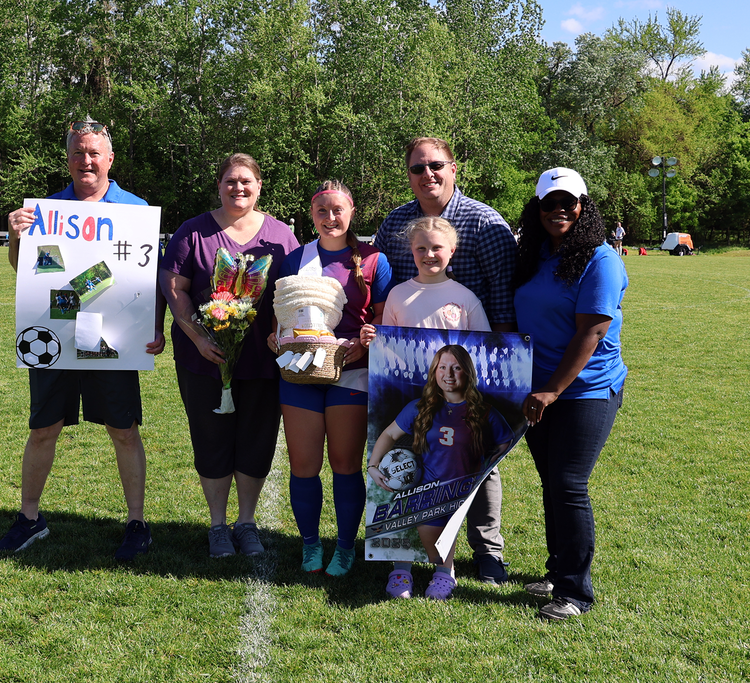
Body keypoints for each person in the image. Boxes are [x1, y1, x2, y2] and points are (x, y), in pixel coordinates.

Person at [0, 119, 164, 562]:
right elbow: (26, 272)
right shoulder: (46, 211)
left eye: (94, 153)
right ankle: (29, 519)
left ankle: (136, 523)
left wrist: (156, 325)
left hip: (114, 337)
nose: (86, 160)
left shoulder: (135, 210)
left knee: (123, 430)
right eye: (78, 152)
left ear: (109, 159)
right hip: (57, 335)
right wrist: (16, 237)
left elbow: (150, 280)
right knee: (43, 428)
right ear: (68, 158)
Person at [373, 136, 517, 584]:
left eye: (436, 165)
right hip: (406, 372)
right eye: (418, 168)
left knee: (475, 458)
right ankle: (401, 553)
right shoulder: (398, 223)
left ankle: (486, 549)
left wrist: (501, 367)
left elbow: (504, 299)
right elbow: (385, 294)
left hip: (469, 366)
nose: (427, 175)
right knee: (412, 456)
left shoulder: (484, 223)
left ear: (454, 168)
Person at [160, 153, 299, 558]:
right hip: (204, 360)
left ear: (259, 186)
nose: (238, 188)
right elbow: (175, 288)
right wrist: (199, 337)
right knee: (211, 439)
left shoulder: (280, 237)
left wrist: (282, 334)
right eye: (230, 181)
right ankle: (218, 525)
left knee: (257, 440)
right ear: (219, 185)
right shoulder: (194, 232)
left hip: (262, 360)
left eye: (246, 181)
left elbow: (291, 294)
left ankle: (247, 521)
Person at [513, 167, 627, 621]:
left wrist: (552, 390)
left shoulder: (601, 259)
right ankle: (558, 570)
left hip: (585, 391)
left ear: (584, 207)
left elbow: (593, 330)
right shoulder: (535, 254)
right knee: (551, 483)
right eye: (549, 203)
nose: (559, 210)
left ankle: (575, 593)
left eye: (569, 202)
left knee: (568, 484)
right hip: (536, 389)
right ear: (536, 208)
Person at [269, 180, 392, 576]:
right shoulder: (295, 258)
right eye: (322, 211)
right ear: (312, 214)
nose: (330, 218)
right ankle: (309, 545)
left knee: (344, 463)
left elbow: (382, 318)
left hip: (351, 371)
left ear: (352, 211)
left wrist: (365, 341)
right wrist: (276, 337)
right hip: (300, 372)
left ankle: (343, 546)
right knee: (303, 464)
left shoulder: (374, 259)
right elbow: (282, 312)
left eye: (337, 210)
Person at [368, 345, 512, 600]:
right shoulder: (419, 407)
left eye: (456, 368)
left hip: (458, 489)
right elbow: (390, 434)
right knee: (409, 523)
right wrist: (373, 465)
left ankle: (445, 573)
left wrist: (483, 465)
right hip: (422, 485)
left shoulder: (483, 411)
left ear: (467, 372)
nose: (449, 374)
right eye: (442, 367)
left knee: (445, 533)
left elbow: (505, 442)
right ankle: (402, 571)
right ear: (434, 372)